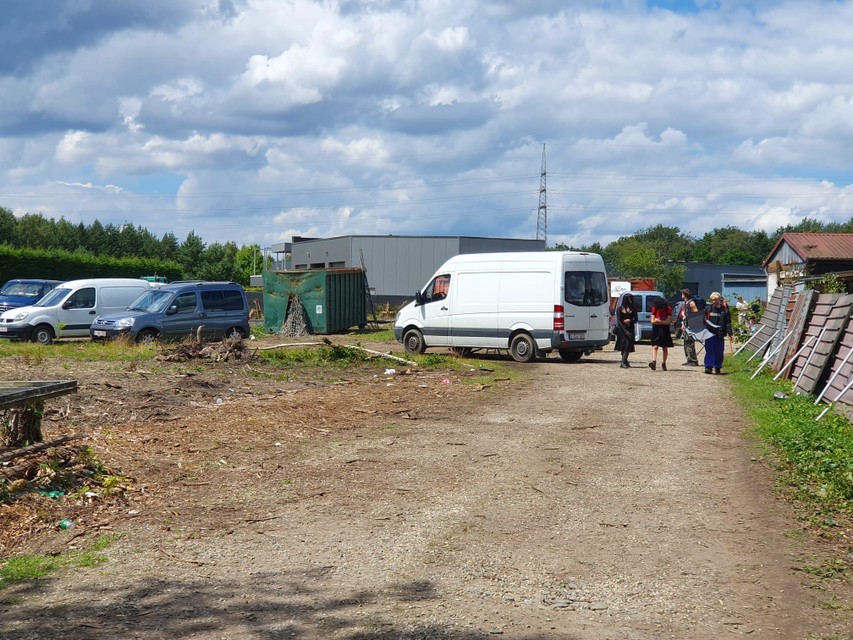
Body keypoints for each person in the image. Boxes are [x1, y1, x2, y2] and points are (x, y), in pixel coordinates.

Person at [704, 292, 733, 374]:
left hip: (720, 334)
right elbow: (704, 320)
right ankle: (708, 367)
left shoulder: (724, 310)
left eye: (715, 300)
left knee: (719, 351)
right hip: (709, 333)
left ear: (719, 299)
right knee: (710, 350)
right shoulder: (708, 309)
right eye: (712, 300)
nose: (714, 301)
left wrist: (730, 333)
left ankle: (717, 367)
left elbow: (728, 322)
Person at [648, 297, 673, 371]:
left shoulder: (668, 309)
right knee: (655, 346)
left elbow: (668, 321)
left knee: (665, 347)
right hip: (656, 329)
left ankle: (664, 363)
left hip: (665, 330)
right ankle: (654, 361)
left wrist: (658, 321)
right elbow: (652, 321)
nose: (660, 310)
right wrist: (661, 321)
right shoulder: (654, 308)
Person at [613, 293, 637, 368]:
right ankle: (624, 361)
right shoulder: (619, 308)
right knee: (623, 345)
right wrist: (624, 330)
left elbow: (636, 319)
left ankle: (623, 361)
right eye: (630, 298)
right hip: (622, 329)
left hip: (630, 329)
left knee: (628, 345)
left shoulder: (633, 308)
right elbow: (619, 321)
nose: (631, 300)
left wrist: (630, 320)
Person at [680, 288, 700, 366]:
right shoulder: (685, 303)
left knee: (690, 342)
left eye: (682, 294)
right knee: (686, 342)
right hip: (686, 324)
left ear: (685, 295)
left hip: (691, 325)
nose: (681, 295)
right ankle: (689, 359)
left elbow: (696, 313)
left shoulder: (691, 303)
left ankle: (693, 360)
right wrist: (683, 324)